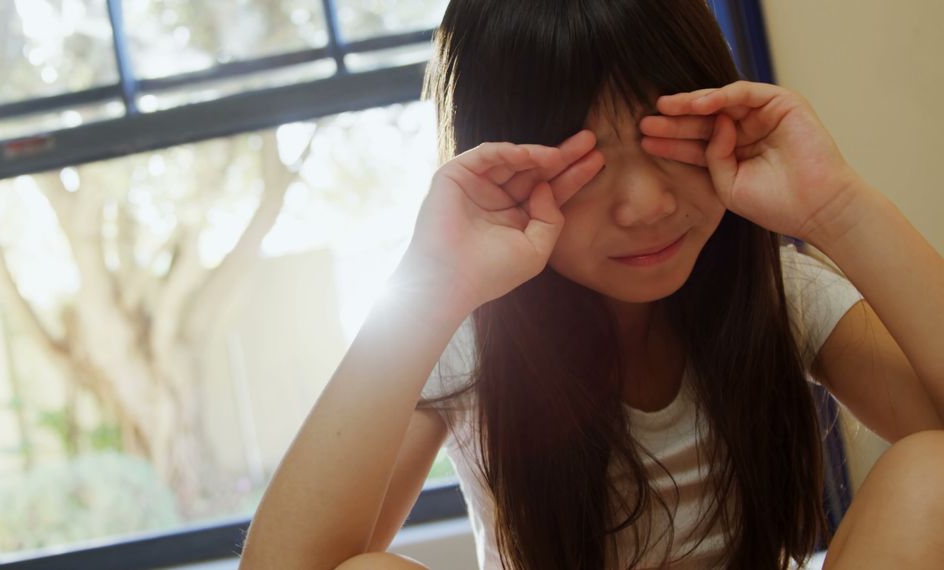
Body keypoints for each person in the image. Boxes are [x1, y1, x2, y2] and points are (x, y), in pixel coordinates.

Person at [240, 0, 944, 568]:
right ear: (503, 167)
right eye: (586, 162)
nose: (646, 204)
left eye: (669, 137)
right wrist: (430, 287)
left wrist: (837, 207)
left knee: (932, 477)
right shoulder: (474, 341)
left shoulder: (775, 292)